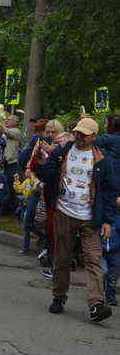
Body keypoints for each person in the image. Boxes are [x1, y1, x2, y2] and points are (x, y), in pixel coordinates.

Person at [33, 117, 116, 322]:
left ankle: (97, 304)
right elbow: (47, 174)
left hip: (90, 218)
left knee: (93, 259)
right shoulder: (64, 151)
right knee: (62, 258)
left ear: (94, 137)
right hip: (65, 213)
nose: (79, 137)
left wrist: (107, 221)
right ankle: (59, 296)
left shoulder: (102, 160)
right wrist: (38, 160)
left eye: (84, 134)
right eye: (77, 133)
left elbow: (108, 192)